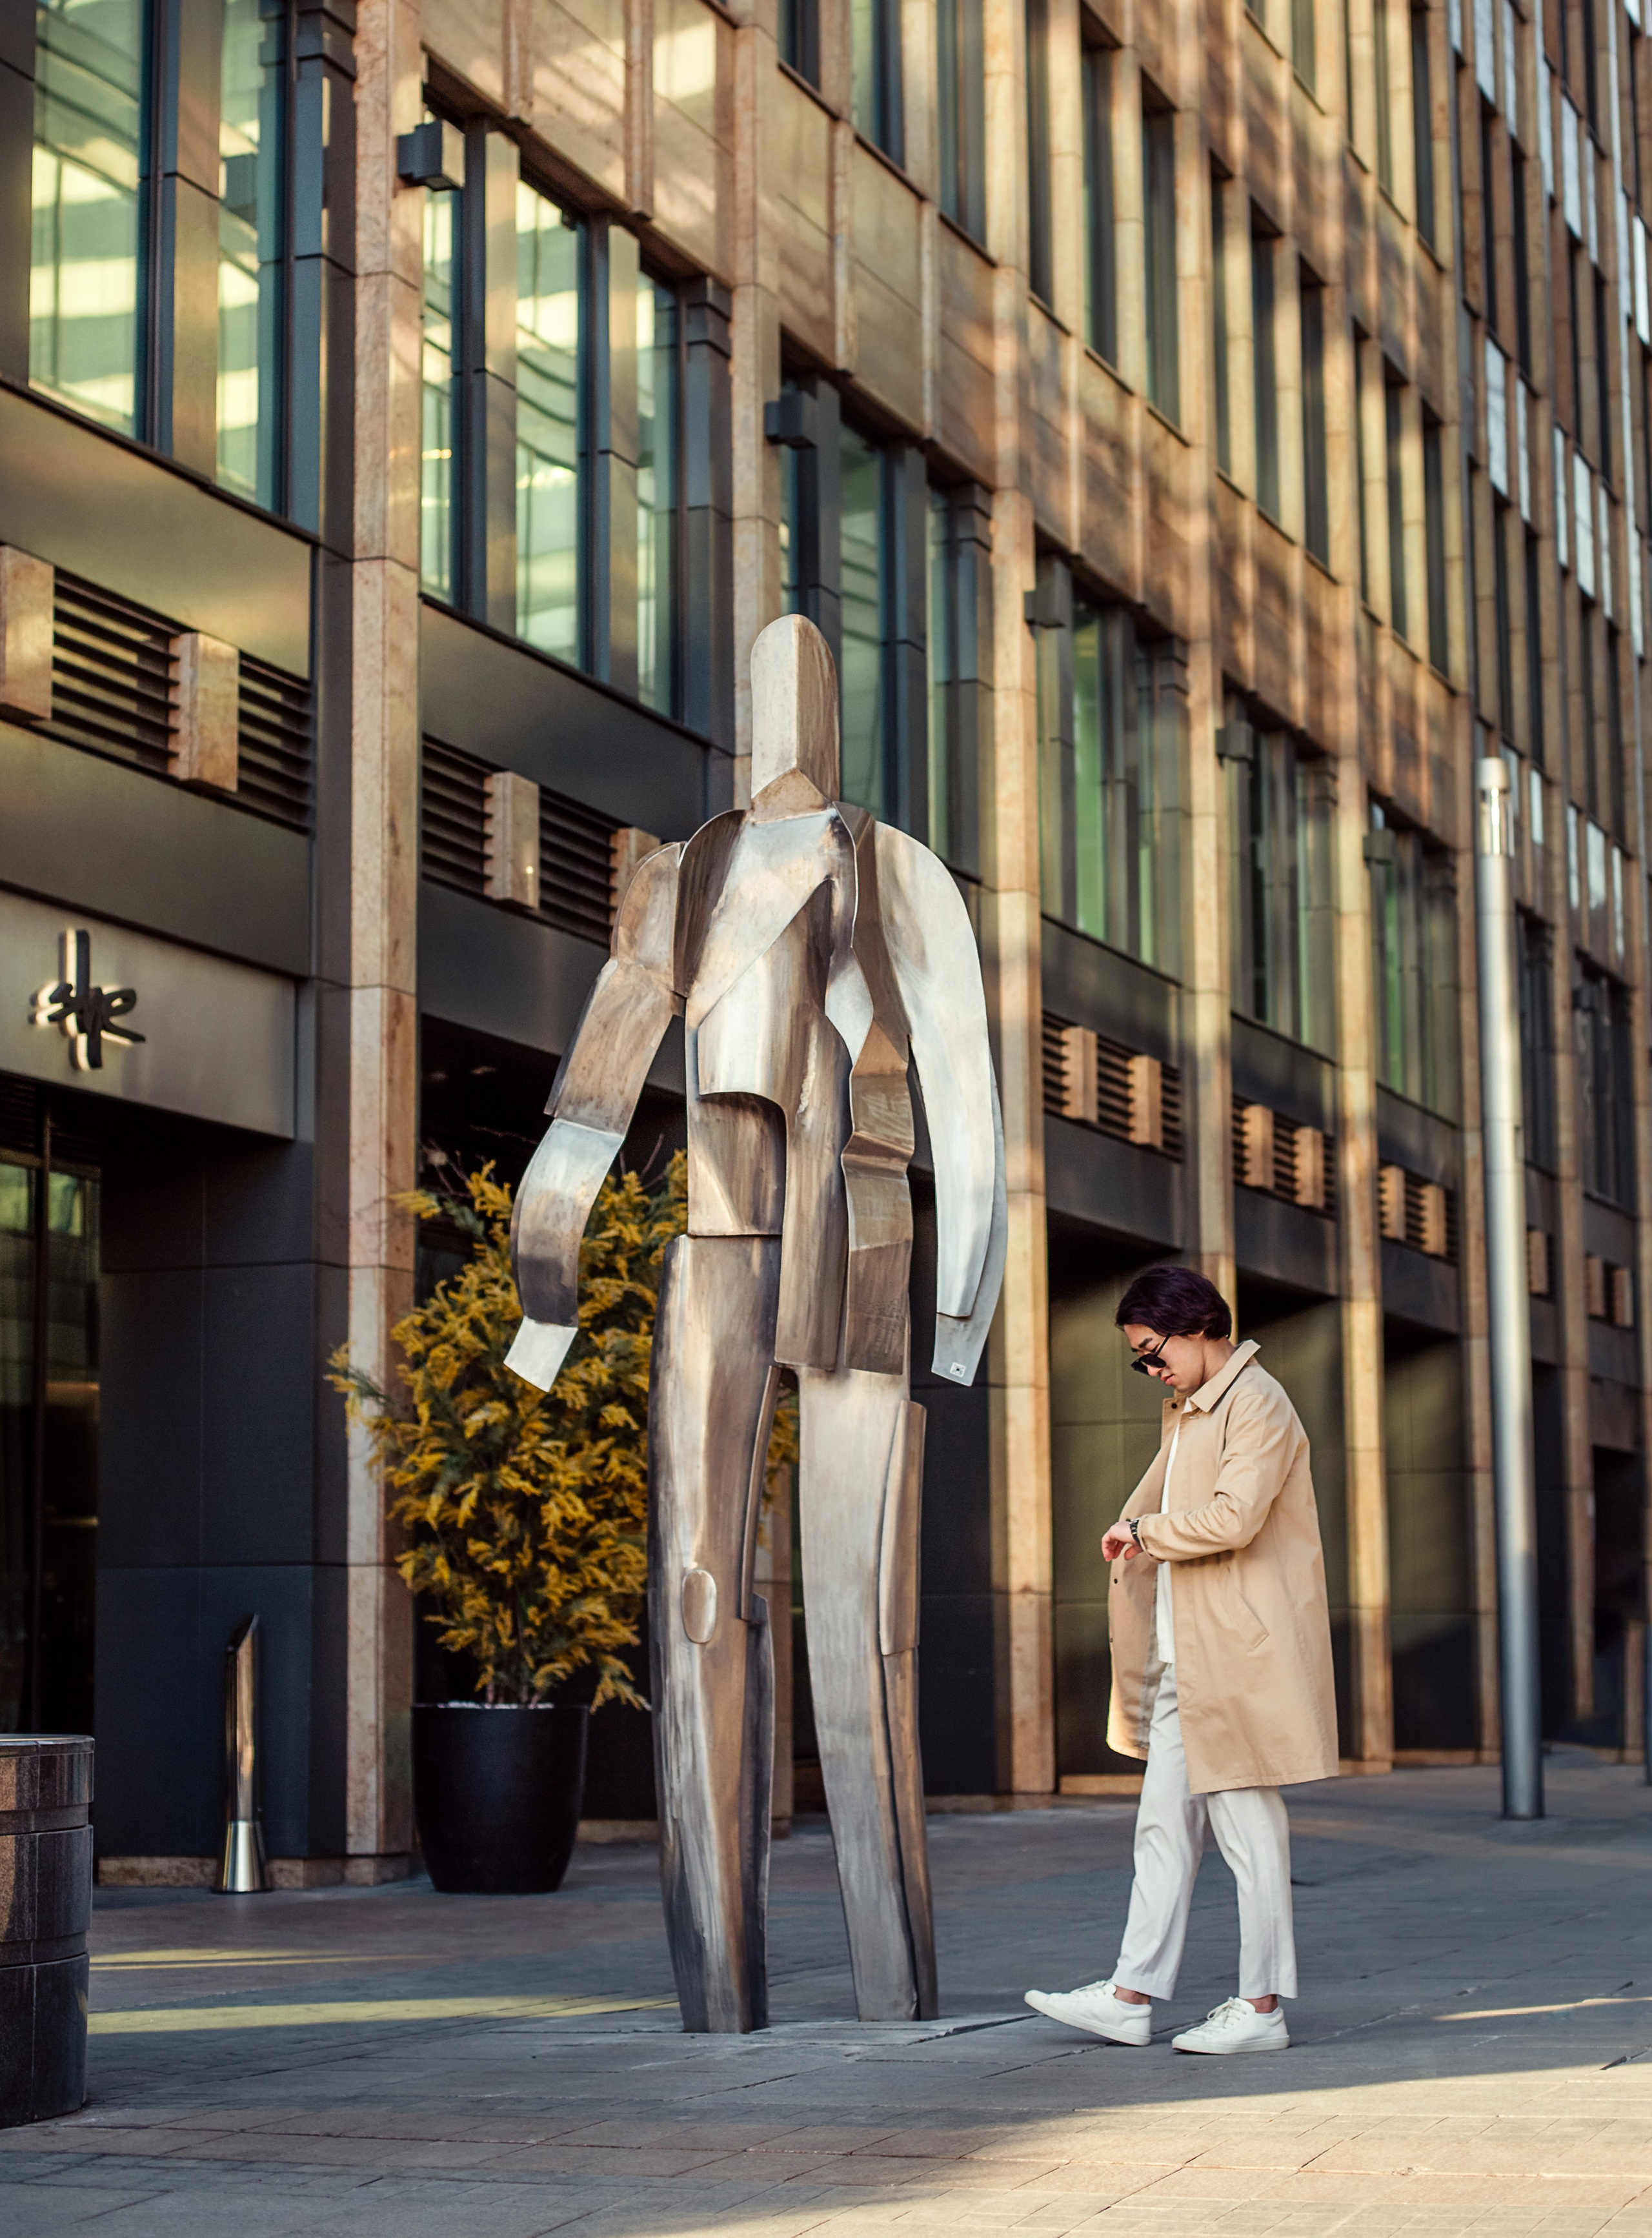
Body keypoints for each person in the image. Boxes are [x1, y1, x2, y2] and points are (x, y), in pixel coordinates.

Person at [1025, 1265, 1338, 2055]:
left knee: (1247, 1827)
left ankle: (1262, 2008)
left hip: (1232, 1654)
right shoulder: (1196, 1410)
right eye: (1141, 1359)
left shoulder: (1256, 1402)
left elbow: (1233, 1519)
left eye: (1153, 1351)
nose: (1150, 1369)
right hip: (1185, 1657)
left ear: (1198, 1325)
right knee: (1162, 1828)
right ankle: (1131, 1997)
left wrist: (1141, 1534)